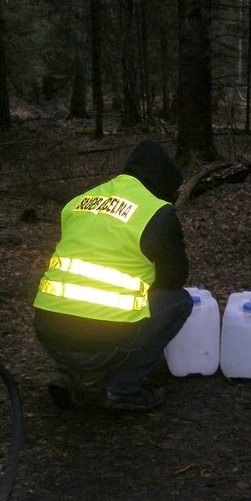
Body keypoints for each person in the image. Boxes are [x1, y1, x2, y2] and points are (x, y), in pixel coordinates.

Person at [32, 140, 193, 412]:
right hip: (103, 341)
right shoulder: (157, 213)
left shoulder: (78, 202)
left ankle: (68, 373)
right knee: (179, 301)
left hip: (47, 330)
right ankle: (122, 389)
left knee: (69, 298)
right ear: (164, 179)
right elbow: (174, 279)